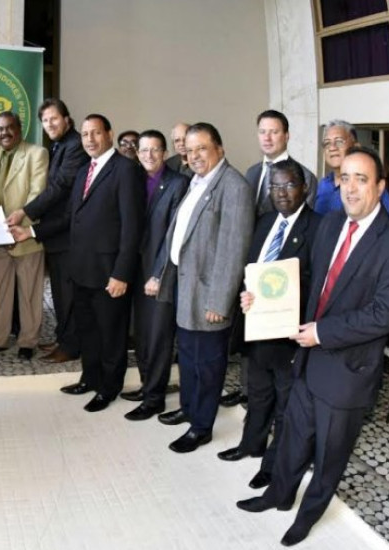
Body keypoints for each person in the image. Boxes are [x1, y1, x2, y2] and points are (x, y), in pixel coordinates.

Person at [237, 147, 389, 547]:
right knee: (292, 438)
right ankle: (277, 495)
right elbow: (311, 284)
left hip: (348, 371)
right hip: (307, 360)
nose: (350, 188)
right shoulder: (331, 224)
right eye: (344, 178)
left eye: (361, 179)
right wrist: (262, 301)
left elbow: (383, 315)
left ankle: (307, 517)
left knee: (328, 456)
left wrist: (322, 333)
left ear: (380, 187)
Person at [217, 160, 321, 492]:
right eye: (275, 186)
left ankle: (273, 465)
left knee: (285, 404)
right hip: (258, 327)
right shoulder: (264, 222)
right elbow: (252, 271)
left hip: (290, 333)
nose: (281, 193)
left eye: (289, 185)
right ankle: (251, 444)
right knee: (259, 393)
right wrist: (247, 295)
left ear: (304, 187)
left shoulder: (318, 227)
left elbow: (318, 285)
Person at [28, 114, 144, 411]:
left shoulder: (126, 169)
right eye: (85, 134)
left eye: (96, 133)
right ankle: (90, 379)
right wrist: (32, 231)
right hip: (81, 269)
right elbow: (70, 217)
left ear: (109, 134)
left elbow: (132, 227)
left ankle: (109, 388)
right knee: (88, 330)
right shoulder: (83, 171)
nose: (90, 139)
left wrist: (121, 273)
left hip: (109, 273)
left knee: (111, 334)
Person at [155, 122, 254, 453]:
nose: (195, 155)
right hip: (187, 288)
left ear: (220, 149)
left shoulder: (234, 186)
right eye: (191, 149)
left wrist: (219, 301)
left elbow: (233, 249)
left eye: (203, 148)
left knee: (207, 363)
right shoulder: (196, 181)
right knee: (188, 357)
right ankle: (189, 408)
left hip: (210, 295)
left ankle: (201, 427)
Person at [7, 98, 90, 365]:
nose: (49, 124)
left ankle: (71, 346)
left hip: (67, 235)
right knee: (60, 295)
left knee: (68, 297)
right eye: (45, 120)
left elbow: (60, 186)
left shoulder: (75, 146)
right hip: (54, 234)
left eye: (54, 118)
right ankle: (63, 337)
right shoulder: (59, 145)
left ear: (67, 119)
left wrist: (25, 211)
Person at [124, 130, 187, 421]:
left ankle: (155, 398)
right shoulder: (133, 179)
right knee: (140, 334)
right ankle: (146, 384)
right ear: (137, 154)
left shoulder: (178, 184)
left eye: (154, 150)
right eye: (143, 150)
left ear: (164, 153)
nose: (148, 155)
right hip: (134, 270)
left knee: (158, 336)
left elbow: (174, 236)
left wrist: (159, 274)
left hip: (160, 271)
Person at [0, 112, 48, 360]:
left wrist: (20, 223)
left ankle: (28, 341)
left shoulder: (37, 153)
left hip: (24, 235)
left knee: (29, 292)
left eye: (9, 128)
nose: (4, 133)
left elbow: (38, 194)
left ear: (20, 129)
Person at [313, 120, 389, 217]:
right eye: (327, 143)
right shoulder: (323, 185)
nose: (332, 148)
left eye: (339, 142)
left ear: (356, 146)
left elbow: (386, 224)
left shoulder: (371, 188)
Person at [245, 110, 318, 218]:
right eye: (262, 132)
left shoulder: (305, 176)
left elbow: (304, 220)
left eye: (274, 132)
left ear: (286, 136)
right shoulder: (251, 172)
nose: (267, 138)